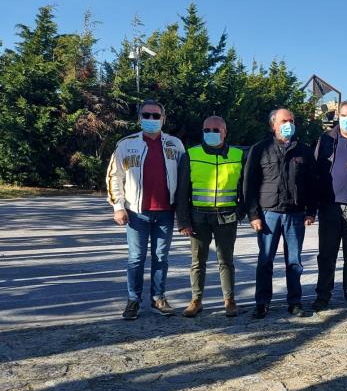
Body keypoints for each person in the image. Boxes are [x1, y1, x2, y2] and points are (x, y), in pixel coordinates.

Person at [106, 99, 187, 320]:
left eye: (155, 115)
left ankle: (158, 297)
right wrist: (118, 207)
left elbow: (184, 179)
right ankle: (133, 300)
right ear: (139, 118)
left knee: (161, 257)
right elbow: (115, 177)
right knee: (136, 258)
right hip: (136, 212)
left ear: (163, 118)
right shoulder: (126, 144)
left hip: (165, 212)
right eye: (146, 115)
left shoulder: (175, 144)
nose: (151, 119)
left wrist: (183, 213)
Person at [243, 108, 318, 319]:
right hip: (268, 215)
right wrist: (253, 215)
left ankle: (294, 301)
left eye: (292, 120)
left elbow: (312, 183)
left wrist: (311, 211)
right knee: (265, 261)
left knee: (294, 261)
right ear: (273, 125)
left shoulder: (303, 150)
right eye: (284, 120)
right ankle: (262, 302)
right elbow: (249, 184)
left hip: (295, 214)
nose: (289, 124)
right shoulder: (260, 149)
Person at [176, 115, 245, 318]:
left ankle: (229, 301)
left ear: (225, 132)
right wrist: (183, 221)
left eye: (216, 130)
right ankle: (196, 300)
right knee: (198, 261)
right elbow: (182, 191)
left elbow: (244, 188)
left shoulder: (237, 155)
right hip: (199, 218)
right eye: (207, 130)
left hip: (226, 217)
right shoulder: (191, 154)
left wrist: (240, 213)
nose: (211, 134)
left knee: (226, 261)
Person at [312, 100, 347, 312]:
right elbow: (316, 170)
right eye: (343, 115)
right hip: (330, 206)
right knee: (326, 254)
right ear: (338, 116)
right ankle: (323, 295)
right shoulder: (326, 139)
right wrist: (313, 206)